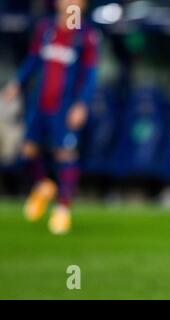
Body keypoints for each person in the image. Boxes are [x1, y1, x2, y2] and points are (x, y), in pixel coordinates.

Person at [1, 0, 98, 234]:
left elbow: (90, 74)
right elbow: (33, 60)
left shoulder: (86, 36)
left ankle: (62, 209)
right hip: (40, 103)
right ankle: (43, 186)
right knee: (28, 152)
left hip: (65, 105)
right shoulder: (46, 29)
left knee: (64, 152)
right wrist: (16, 84)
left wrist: (81, 104)